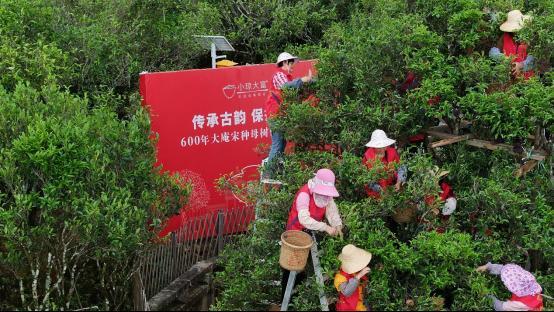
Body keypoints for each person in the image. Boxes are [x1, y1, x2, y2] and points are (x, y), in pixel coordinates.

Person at [281, 168, 343, 298]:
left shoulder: (326, 196)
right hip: (295, 233)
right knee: (291, 267)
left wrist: (337, 225)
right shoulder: (304, 194)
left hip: (310, 233)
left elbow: (331, 209)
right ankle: (286, 300)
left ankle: (298, 299)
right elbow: (304, 219)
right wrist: (325, 227)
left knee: (304, 267)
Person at [264, 52, 313, 179]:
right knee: (278, 144)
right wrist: (302, 80)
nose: (293, 67)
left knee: (282, 145)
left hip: (282, 116)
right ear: (285, 62)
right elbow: (285, 87)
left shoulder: (288, 78)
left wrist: (309, 82)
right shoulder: (279, 75)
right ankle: (269, 173)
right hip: (276, 116)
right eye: (291, 63)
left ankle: (276, 172)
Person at [476, 263, 544, 311]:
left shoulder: (521, 304)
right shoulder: (529, 284)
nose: (505, 285)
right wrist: (488, 266)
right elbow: (505, 270)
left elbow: (500, 307)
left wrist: (487, 296)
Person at [489, 10, 535, 79]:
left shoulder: (530, 38)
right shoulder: (505, 36)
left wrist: (520, 66)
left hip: (527, 80)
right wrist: (503, 58)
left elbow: (533, 59)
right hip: (506, 78)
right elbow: (492, 52)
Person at [363, 129, 407, 198]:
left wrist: (399, 182)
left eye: (383, 146)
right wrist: (381, 190)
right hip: (375, 193)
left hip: (392, 188)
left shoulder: (392, 152)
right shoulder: (367, 157)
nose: (381, 149)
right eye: (379, 147)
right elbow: (367, 179)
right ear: (373, 147)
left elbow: (401, 167)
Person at [334, 244, 372, 311]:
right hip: (349, 307)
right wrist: (359, 276)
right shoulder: (340, 277)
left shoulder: (355, 271)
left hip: (360, 304)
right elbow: (347, 292)